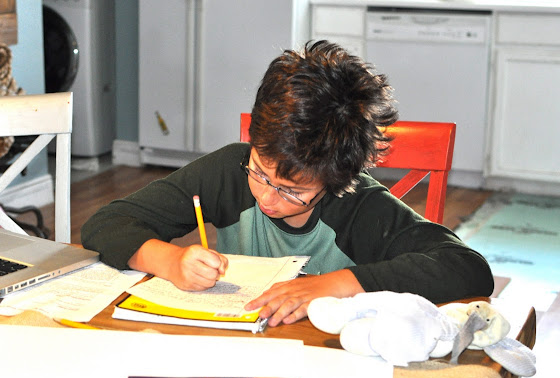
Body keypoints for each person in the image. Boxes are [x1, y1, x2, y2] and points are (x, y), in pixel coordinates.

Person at [81, 40, 493, 327]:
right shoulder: (228, 170)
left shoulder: (360, 207)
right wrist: (170, 261)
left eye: (293, 191)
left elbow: (467, 268)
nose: (266, 198)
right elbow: (106, 224)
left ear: (336, 180)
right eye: (261, 171)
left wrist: (331, 286)